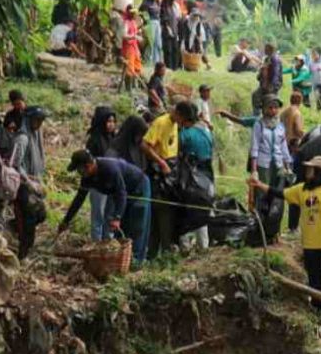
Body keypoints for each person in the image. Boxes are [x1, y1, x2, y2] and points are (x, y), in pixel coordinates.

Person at [251, 156, 321, 312]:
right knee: (314, 279)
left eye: (311, 169)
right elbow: (280, 193)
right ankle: (318, 308)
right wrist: (259, 184)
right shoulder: (301, 189)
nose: (307, 171)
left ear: (319, 172)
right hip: (311, 243)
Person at [58, 150, 152, 267]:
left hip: (138, 186)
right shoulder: (87, 177)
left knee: (137, 224)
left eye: (79, 170)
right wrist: (66, 220)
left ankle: (136, 262)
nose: (79, 173)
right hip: (120, 194)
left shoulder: (109, 169)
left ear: (88, 166)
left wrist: (117, 217)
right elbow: (79, 199)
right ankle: (121, 261)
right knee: (122, 227)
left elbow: (121, 193)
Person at [222, 97, 291, 209]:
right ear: (264, 109)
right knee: (261, 192)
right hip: (263, 164)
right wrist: (254, 171)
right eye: (270, 107)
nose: (273, 110)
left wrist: (288, 165)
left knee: (276, 193)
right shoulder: (258, 124)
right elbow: (255, 147)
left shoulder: (280, 126)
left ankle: (272, 219)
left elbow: (283, 147)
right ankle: (259, 216)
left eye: (276, 108)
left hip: (277, 164)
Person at [142, 104, 182, 259]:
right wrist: (161, 162)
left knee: (169, 213)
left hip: (170, 171)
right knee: (160, 212)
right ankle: (155, 253)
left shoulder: (176, 124)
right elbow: (145, 145)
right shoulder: (160, 122)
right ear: (177, 113)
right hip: (158, 174)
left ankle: (163, 251)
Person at [9, 106, 48, 258]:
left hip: (33, 185)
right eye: (37, 120)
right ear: (29, 120)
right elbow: (15, 164)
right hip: (23, 186)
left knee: (41, 215)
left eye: (41, 121)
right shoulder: (23, 138)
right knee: (28, 222)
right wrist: (28, 181)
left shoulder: (35, 136)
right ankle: (22, 254)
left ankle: (15, 227)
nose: (39, 124)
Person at [177, 100, 214, 250]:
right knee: (203, 209)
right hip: (207, 174)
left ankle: (184, 246)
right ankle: (203, 245)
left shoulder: (185, 134)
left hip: (190, 176)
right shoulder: (205, 130)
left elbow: (178, 153)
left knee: (184, 209)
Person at [85, 106, 117, 240]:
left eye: (113, 121)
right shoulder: (94, 140)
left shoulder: (114, 138)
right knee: (98, 216)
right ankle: (97, 245)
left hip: (112, 183)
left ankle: (107, 244)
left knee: (109, 216)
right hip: (98, 185)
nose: (111, 124)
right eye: (108, 121)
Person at [119, 5, 143, 88]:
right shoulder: (126, 23)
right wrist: (134, 36)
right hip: (128, 48)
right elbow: (124, 35)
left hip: (134, 47)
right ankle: (128, 87)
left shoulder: (133, 22)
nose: (134, 14)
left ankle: (135, 85)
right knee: (130, 67)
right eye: (132, 13)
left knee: (138, 66)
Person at [141, 0, 163, 66]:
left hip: (157, 22)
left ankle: (156, 61)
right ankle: (148, 61)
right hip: (150, 23)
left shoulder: (156, 3)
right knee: (151, 43)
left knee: (158, 43)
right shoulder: (146, 3)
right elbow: (144, 15)